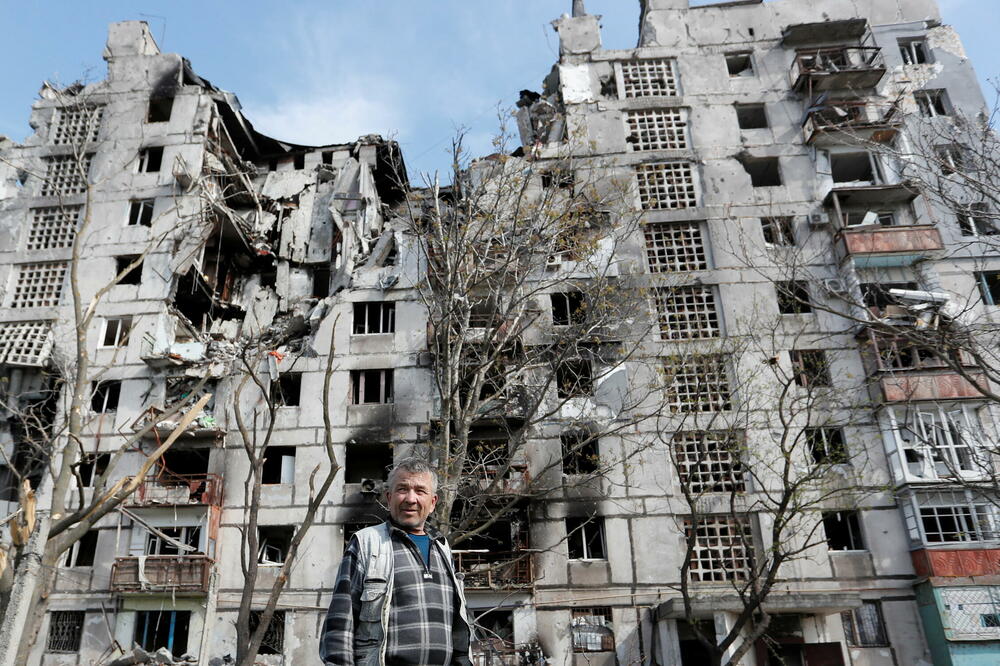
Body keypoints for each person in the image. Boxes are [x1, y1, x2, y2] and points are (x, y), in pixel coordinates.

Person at [320, 457, 472, 665]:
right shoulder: (367, 543)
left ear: (433, 502)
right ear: (389, 497)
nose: (411, 499)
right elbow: (340, 624)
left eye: (420, 491)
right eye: (402, 489)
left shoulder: (443, 549)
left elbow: (458, 630)